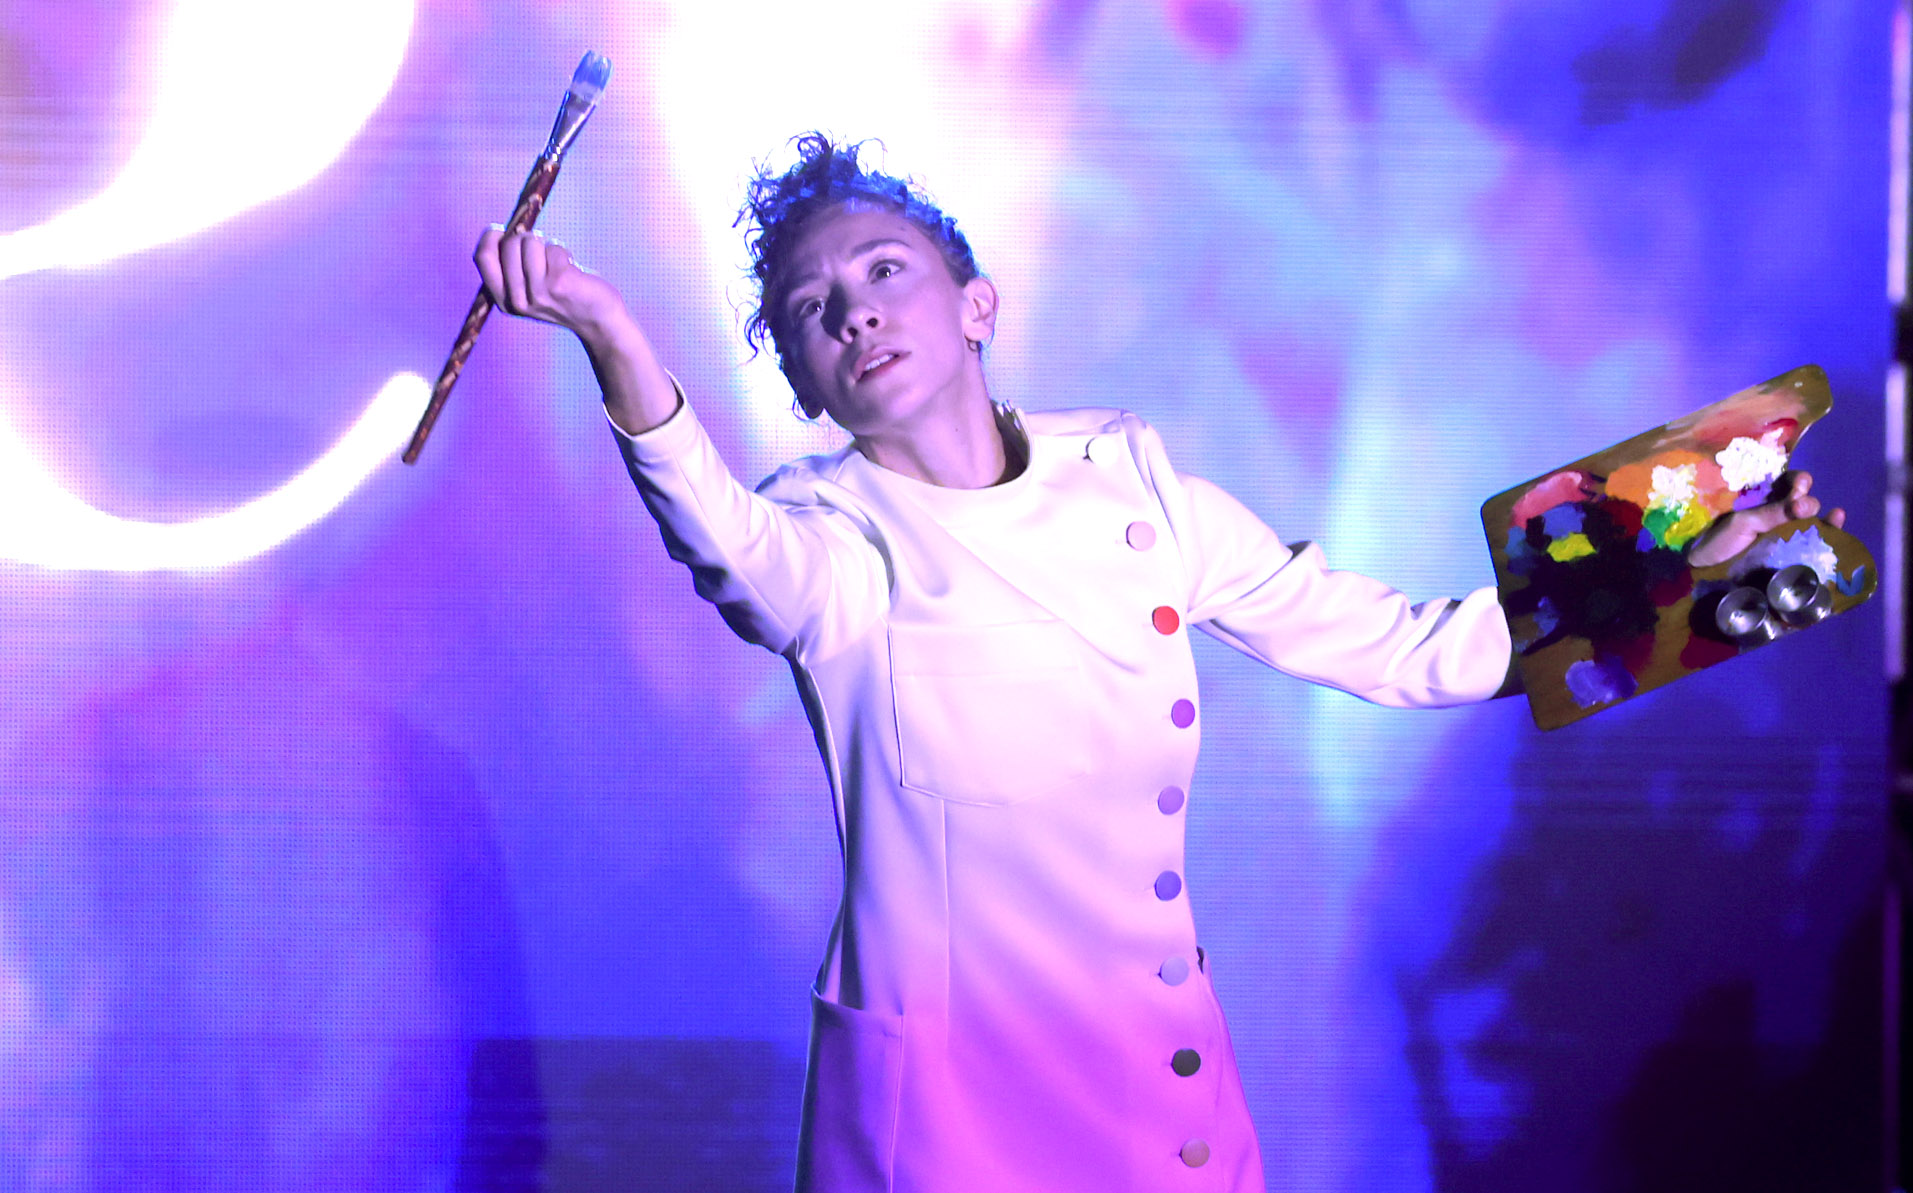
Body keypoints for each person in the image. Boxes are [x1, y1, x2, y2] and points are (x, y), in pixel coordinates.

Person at [473, 134, 1840, 1193]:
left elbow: (1418, 650)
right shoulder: (825, 542)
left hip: (1151, 1098)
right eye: (813, 308)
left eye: (882, 269)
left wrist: (1690, 564)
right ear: (809, 383)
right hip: (951, 1119)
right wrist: (610, 327)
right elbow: (724, 545)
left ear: (974, 302)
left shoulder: (1139, 488)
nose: (856, 311)